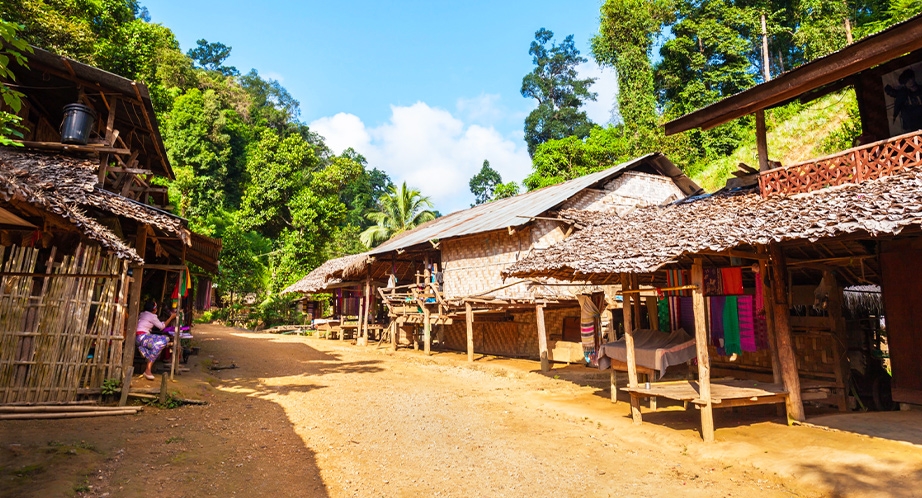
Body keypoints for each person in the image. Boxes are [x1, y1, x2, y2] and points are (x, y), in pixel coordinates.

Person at [136, 300, 176, 380]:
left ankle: (146, 357)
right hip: (143, 337)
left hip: (139, 338)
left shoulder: (142, 314)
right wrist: (171, 317)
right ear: (154, 309)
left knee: (158, 345)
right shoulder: (152, 316)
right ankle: (148, 370)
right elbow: (162, 327)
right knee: (164, 340)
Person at [885, 68, 922, 133]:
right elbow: (888, 90)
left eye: (911, 79)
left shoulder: (921, 89)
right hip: (912, 125)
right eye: (907, 81)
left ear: (913, 78)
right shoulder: (903, 94)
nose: (910, 82)